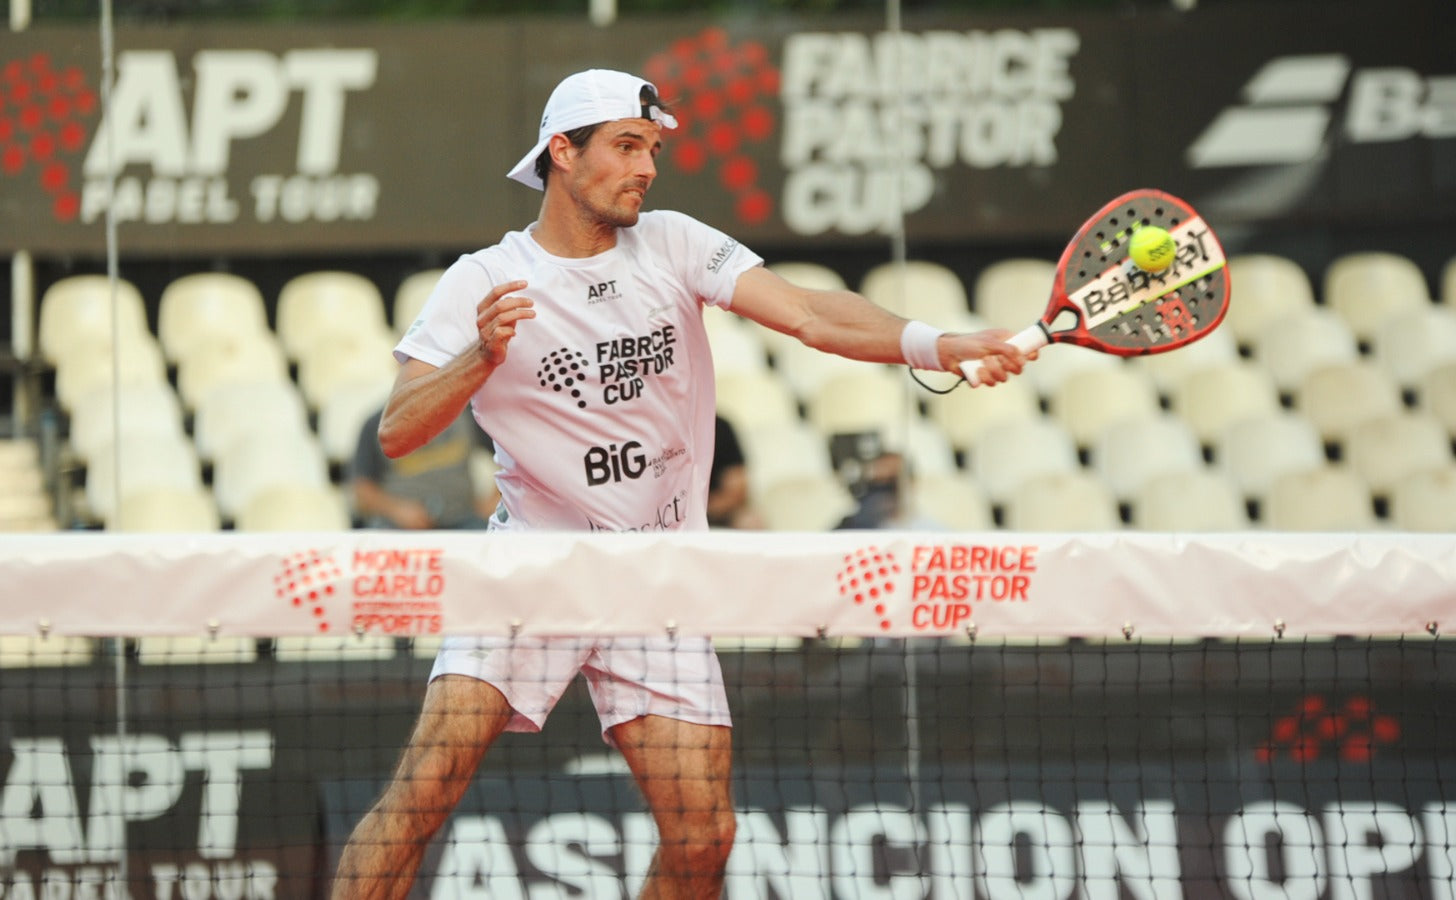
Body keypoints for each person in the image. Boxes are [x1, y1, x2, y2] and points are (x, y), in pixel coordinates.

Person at [331, 68, 1029, 900]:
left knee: (704, 835)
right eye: (627, 147)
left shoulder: (674, 243)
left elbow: (809, 313)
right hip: (533, 572)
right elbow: (399, 430)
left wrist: (938, 344)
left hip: (660, 579)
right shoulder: (483, 280)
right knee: (420, 800)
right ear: (562, 151)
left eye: (652, 150)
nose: (647, 169)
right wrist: (479, 356)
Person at [349, 406, 492, 530]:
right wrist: (397, 510)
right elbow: (361, 489)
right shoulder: (377, 423)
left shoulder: (467, 414)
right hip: (398, 527)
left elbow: (512, 457)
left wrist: (495, 501)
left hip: (464, 520)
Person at [707, 414, 763, 529]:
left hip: (717, 512)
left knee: (751, 522)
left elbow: (737, 490)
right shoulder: (664, 429)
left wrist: (702, 510)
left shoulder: (720, 426)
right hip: (669, 513)